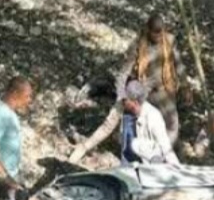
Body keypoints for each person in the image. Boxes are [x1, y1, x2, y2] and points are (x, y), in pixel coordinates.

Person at [69, 13, 190, 164]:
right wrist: (122, 96)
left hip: (164, 89)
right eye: (155, 34)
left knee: (172, 125)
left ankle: (161, 156)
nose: (158, 37)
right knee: (111, 122)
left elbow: (177, 63)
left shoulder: (170, 40)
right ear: (148, 30)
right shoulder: (138, 45)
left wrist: (185, 86)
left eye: (161, 33)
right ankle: (84, 147)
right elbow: (123, 73)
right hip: (141, 90)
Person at [120, 79, 179, 166]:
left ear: (135, 103)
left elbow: (165, 145)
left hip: (152, 162)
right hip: (134, 162)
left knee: (136, 144)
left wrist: (176, 167)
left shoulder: (152, 116)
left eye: (126, 100)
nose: (123, 102)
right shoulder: (127, 117)